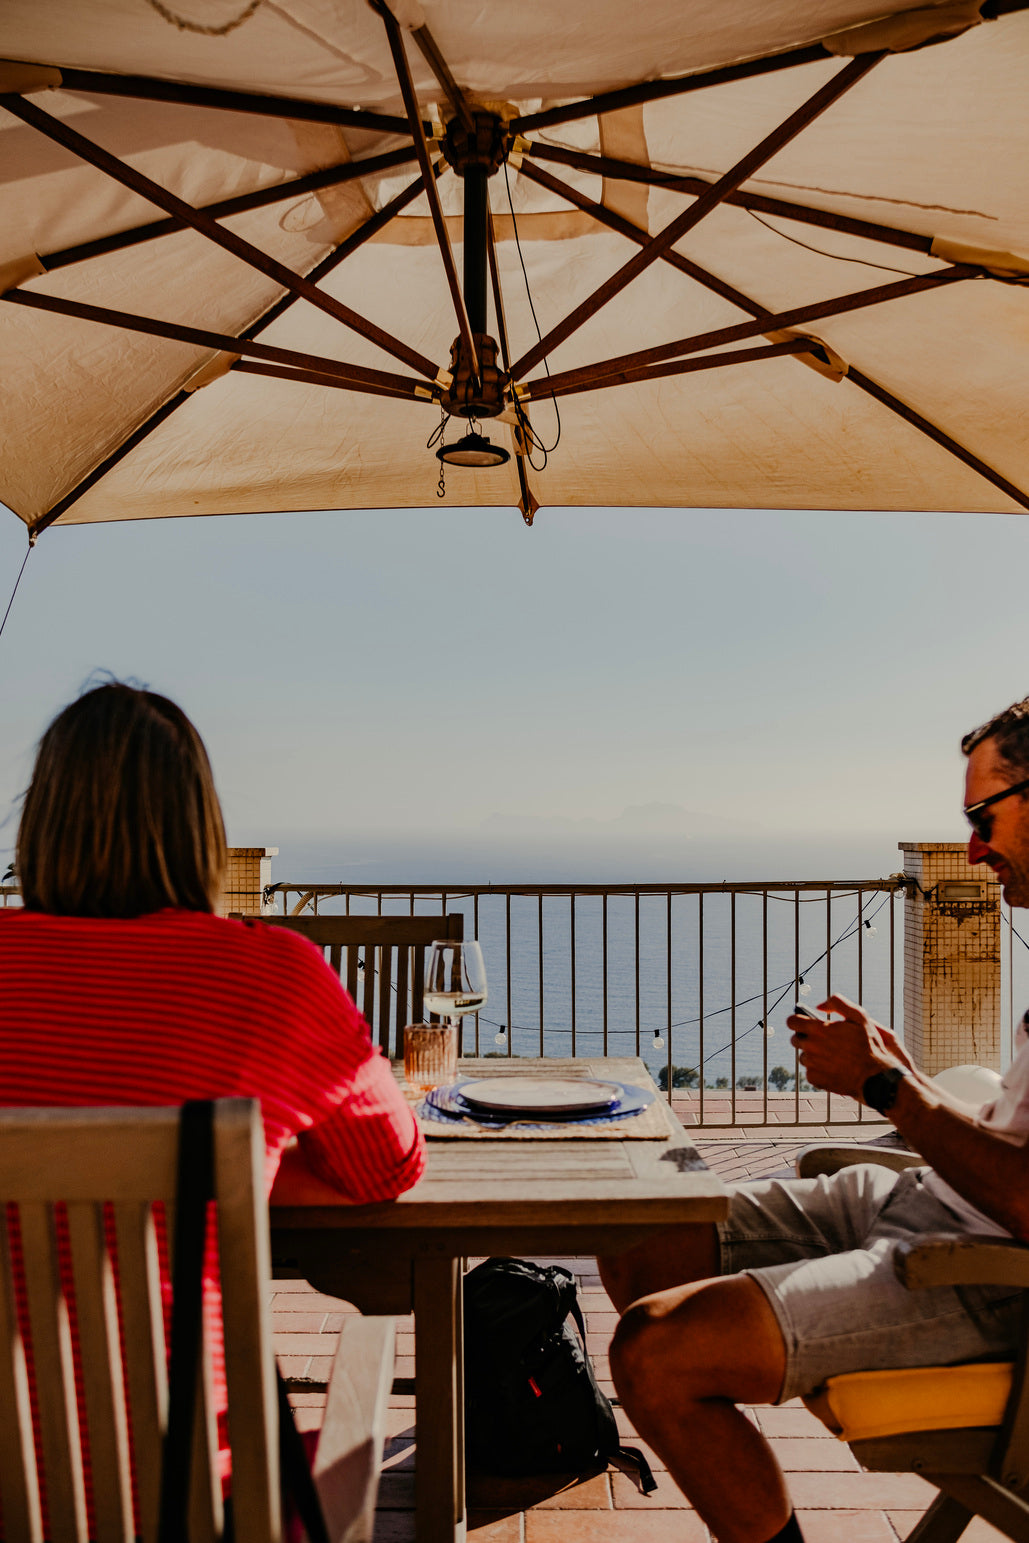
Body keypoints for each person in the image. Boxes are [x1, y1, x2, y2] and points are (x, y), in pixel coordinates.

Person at [600, 695, 1029, 1543]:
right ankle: (727, 1435)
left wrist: (885, 1092)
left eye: (983, 817)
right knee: (640, 1231)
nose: (973, 848)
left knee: (654, 1352)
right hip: (926, 1198)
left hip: (983, 1274)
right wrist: (903, 1072)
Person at [1, 681, 426, 1517]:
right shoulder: (272, 974)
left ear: (38, 824)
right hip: (194, 1503)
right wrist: (241, 1156)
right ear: (200, 831)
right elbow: (388, 1165)